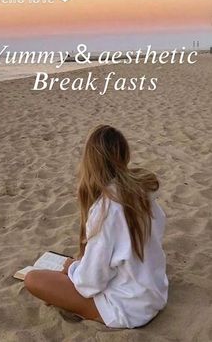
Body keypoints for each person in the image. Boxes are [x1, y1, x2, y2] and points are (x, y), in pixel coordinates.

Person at [24, 125, 168, 328]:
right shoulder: (142, 194)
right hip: (154, 293)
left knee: (33, 279)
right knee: (77, 266)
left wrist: (72, 269)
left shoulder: (106, 208)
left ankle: (80, 307)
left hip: (128, 308)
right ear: (124, 155)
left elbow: (90, 283)